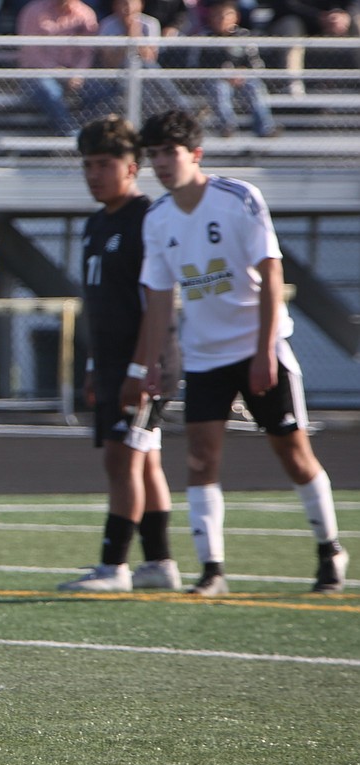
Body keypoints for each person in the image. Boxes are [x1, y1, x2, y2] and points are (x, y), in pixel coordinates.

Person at [130, 109, 350, 596]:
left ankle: (329, 549)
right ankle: (212, 570)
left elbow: (272, 275)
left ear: (196, 154)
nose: (162, 163)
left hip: (258, 347)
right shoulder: (158, 218)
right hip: (205, 357)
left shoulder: (238, 199)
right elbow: (160, 299)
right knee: (201, 459)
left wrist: (264, 352)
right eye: (154, 155)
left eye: (171, 152)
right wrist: (152, 364)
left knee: (293, 453)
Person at [58, 115, 182, 593]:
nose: (93, 174)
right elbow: (100, 303)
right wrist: (93, 365)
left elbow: (158, 302)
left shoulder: (146, 219)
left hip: (144, 363)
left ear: (132, 167)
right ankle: (160, 563)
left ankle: (114, 567)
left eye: (105, 164)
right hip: (111, 362)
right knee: (143, 461)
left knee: (123, 460)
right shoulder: (95, 224)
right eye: (87, 164)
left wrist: (139, 367)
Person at [189, 0, 279, 137]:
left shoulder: (244, 35)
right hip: (214, 80)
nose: (221, 20)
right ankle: (227, 126)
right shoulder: (204, 37)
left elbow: (256, 64)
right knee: (220, 88)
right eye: (217, 15)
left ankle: (264, 127)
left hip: (243, 79)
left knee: (255, 87)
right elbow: (196, 65)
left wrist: (242, 73)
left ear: (236, 17)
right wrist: (222, 73)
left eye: (226, 15)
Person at [15, 0, 99, 136]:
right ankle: (70, 132)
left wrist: (78, 73)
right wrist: (54, 70)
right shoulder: (33, 11)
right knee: (50, 90)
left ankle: (88, 131)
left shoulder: (85, 14)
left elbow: (87, 52)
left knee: (102, 90)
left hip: (74, 75)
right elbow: (31, 50)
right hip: (39, 73)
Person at [92, 0, 187, 118]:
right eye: (123, 3)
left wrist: (135, 32)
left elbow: (149, 58)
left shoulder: (150, 23)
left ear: (141, 5)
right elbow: (110, 63)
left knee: (148, 68)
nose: (127, 8)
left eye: (132, 3)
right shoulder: (107, 25)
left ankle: (182, 108)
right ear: (115, 5)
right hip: (117, 75)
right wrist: (129, 36)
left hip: (145, 75)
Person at [267, 0, 360, 95]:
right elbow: (284, 5)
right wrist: (318, 17)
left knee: (357, 19)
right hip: (300, 20)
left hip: (337, 23)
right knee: (290, 24)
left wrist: (346, 16)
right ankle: (292, 86)